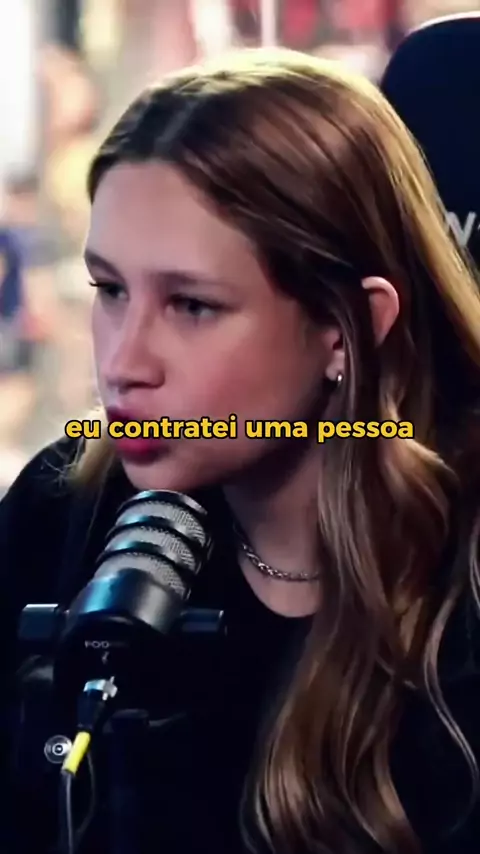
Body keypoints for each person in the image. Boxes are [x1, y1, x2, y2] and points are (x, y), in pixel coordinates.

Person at [1, 47, 480, 854]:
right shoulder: (59, 514)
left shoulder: (463, 580)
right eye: (110, 290)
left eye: (192, 305)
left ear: (349, 328)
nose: (123, 362)